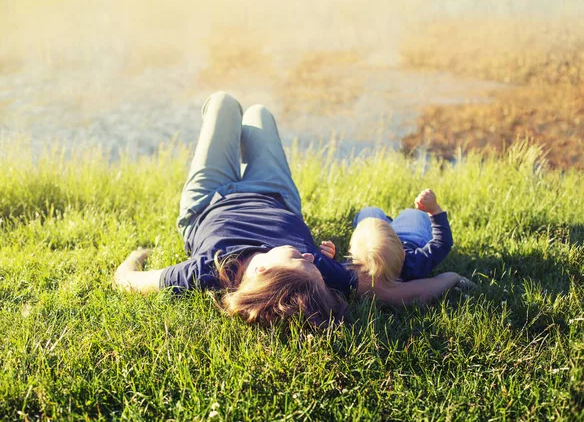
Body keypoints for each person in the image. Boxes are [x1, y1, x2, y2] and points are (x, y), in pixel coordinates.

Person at [115, 92, 472, 327]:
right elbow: (388, 292)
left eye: (301, 260)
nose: (312, 256)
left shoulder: (209, 270)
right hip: (274, 194)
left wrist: (137, 256)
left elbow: (128, 281)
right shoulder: (314, 274)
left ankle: (227, 122)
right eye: (314, 265)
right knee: (259, 113)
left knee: (224, 103)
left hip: (209, 199)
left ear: (267, 269)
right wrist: (450, 279)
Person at [345, 189, 475, 294]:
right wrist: (434, 210)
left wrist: (331, 254)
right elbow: (441, 243)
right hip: (411, 239)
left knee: (368, 211)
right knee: (413, 213)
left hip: (385, 241)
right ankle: (389, 223)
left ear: (354, 259)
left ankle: (387, 222)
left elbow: (333, 268)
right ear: (403, 254)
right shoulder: (415, 264)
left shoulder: (355, 272)